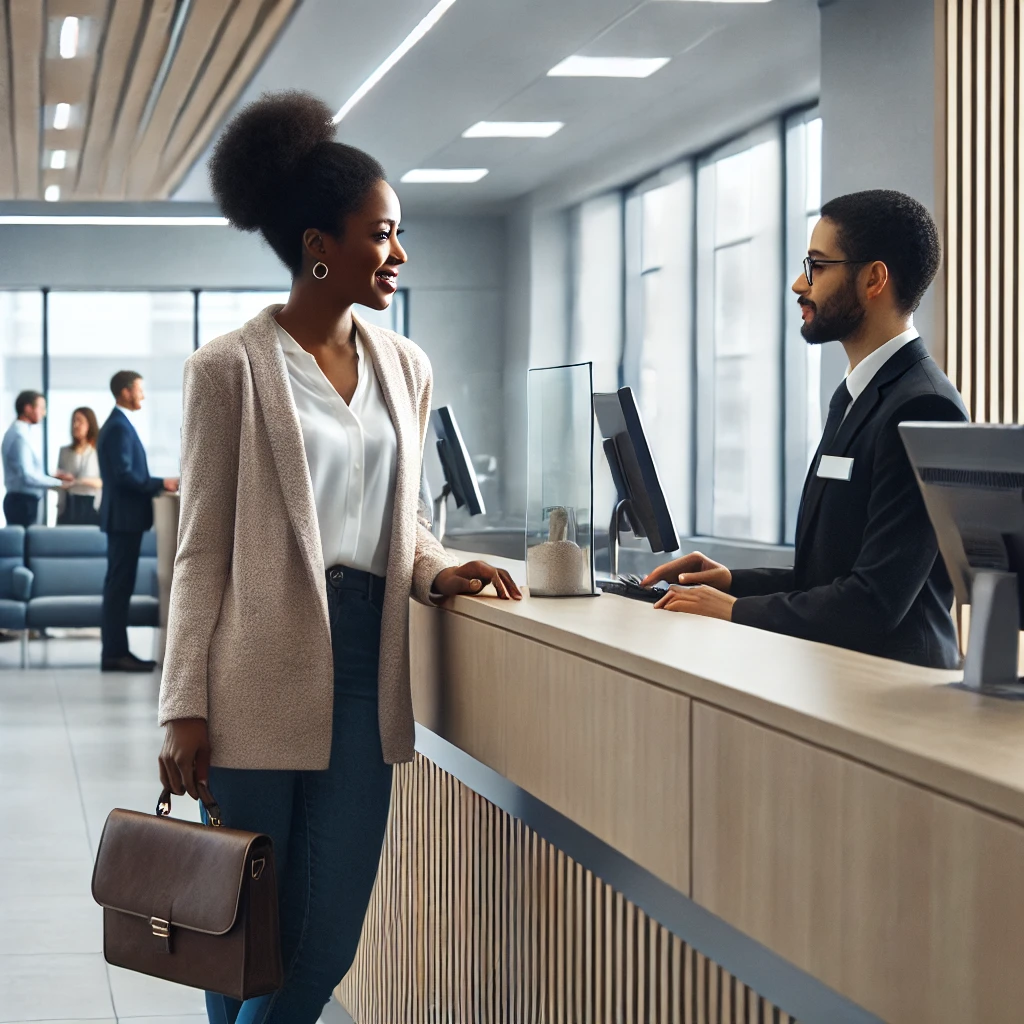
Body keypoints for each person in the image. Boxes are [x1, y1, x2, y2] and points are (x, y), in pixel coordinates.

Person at [156, 92, 521, 1024]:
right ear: (321, 243)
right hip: (253, 670)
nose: (398, 254)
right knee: (243, 931)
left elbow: (403, 518)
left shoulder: (407, 363)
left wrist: (439, 566)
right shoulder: (228, 369)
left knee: (326, 939)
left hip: (369, 666)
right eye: (382, 234)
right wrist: (183, 706)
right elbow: (199, 552)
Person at [644, 189, 967, 669]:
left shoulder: (923, 405)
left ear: (874, 279)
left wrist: (734, 611)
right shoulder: (855, 395)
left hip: (896, 691)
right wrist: (731, 582)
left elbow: (874, 599)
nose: (800, 284)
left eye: (817, 266)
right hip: (845, 678)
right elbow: (829, 576)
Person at [96, 371, 178, 672]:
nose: (143, 395)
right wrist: (161, 483)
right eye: (140, 389)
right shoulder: (118, 427)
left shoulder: (119, 424)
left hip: (123, 520)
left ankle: (116, 652)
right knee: (119, 588)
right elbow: (125, 476)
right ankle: (115, 654)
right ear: (126, 391)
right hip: (123, 520)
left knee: (118, 587)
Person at [1, 390, 73, 526]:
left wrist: (54, 477)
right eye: (41, 408)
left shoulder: (24, 432)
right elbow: (27, 476)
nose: (44, 413)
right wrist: (58, 483)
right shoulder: (19, 435)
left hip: (24, 501)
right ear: (28, 409)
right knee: (24, 544)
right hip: (21, 502)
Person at [56, 407, 103, 526]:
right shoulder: (65, 451)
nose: (75, 425)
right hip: (69, 504)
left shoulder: (98, 451)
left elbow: (102, 482)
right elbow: (60, 479)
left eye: (80, 421)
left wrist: (76, 481)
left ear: (89, 425)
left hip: (91, 505)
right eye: (73, 421)